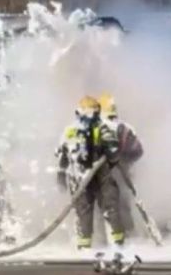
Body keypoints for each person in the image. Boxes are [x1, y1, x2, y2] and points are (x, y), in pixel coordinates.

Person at [55, 96, 125, 250]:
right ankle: (117, 244)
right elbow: (114, 155)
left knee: (84, 211)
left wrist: (60, 175)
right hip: (98, 176)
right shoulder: (102, 127)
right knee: (109, 206)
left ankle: (86, 246)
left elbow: (61, 155)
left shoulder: (69, 130)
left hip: (81, 177)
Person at [97, 93, 143, 237]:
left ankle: (110, 238)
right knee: (122, 205)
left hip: (105, 175)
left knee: (105, 207)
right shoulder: (125, 128)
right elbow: (138, 150)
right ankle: (129, 234)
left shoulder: (97, 128)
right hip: (123, 174)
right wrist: (125, 159)